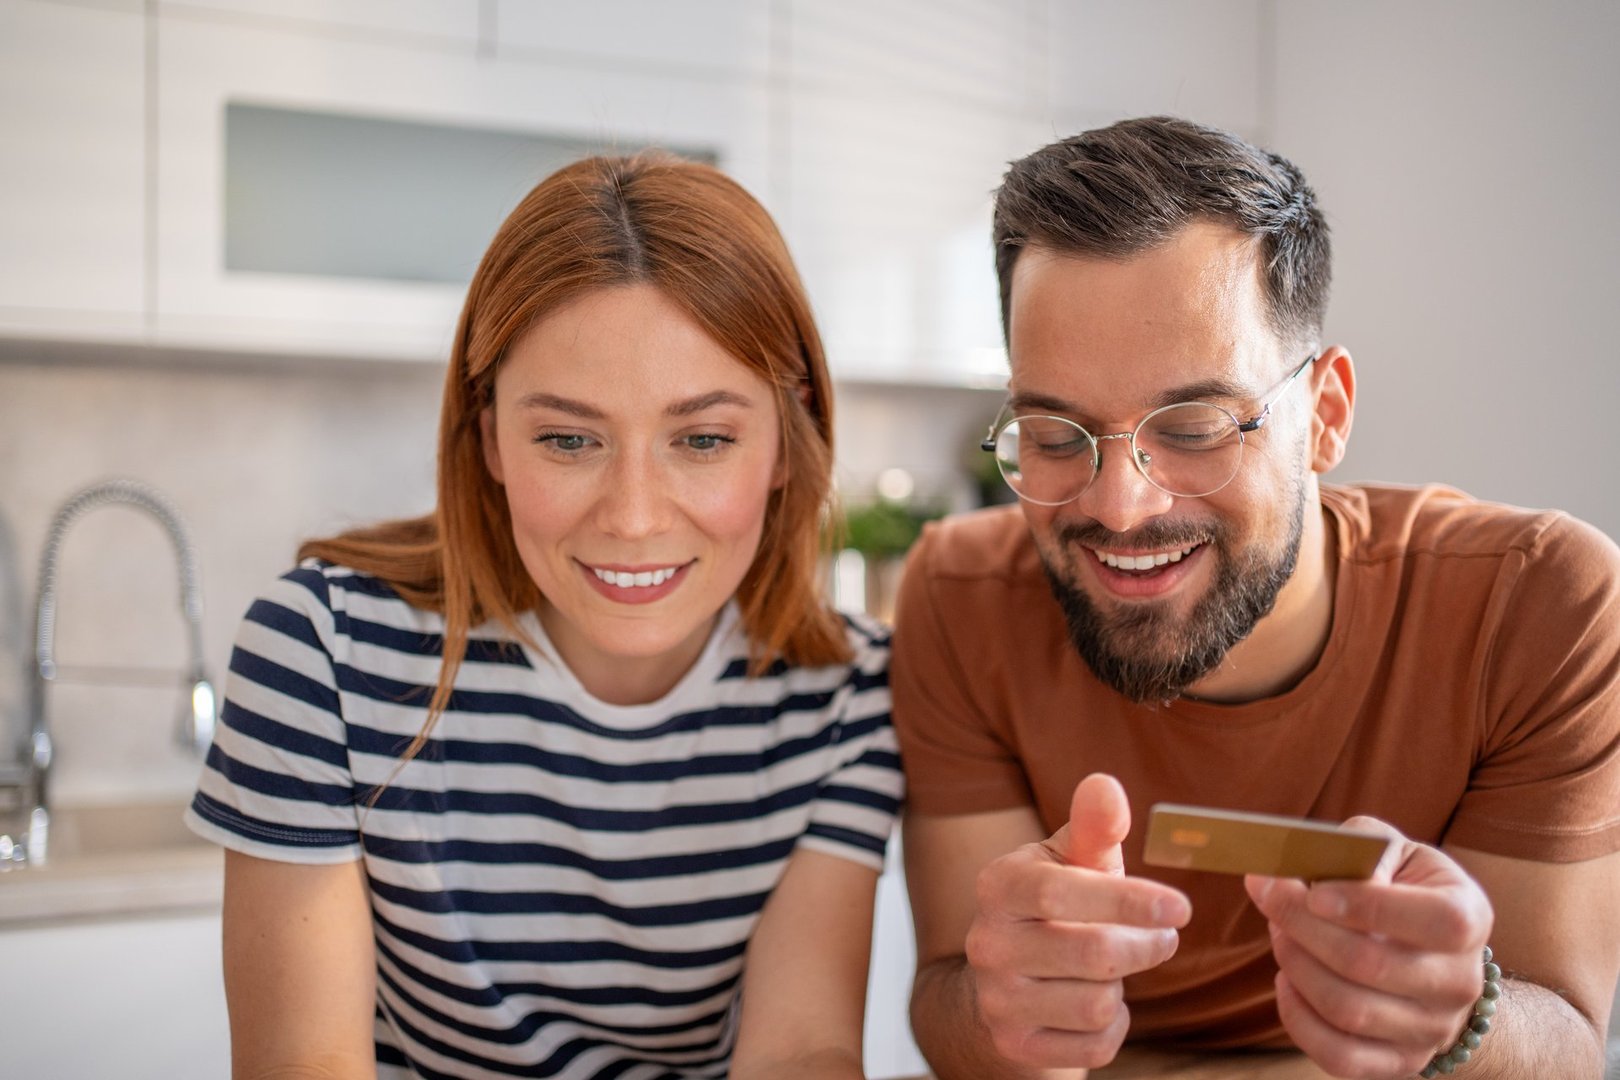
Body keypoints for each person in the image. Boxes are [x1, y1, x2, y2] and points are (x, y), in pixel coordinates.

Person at [892, 116, 1620, 1080]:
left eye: (1193, 427)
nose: (1119, 506)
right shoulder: (959, 596)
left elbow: (1569, 1037)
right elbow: (949, 998)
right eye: (1058, 436)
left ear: (1325, 417)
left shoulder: (1538, 604)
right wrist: (1004, 1006)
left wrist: (1459, 1017)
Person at [185, 152, 902, 1080]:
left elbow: (802, 1047)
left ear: (784, 441)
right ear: (488, 436)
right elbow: (306, 1062)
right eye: (568, 438)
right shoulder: (322, 654)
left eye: (703, 439)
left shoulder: (846, 696)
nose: (635, 515)